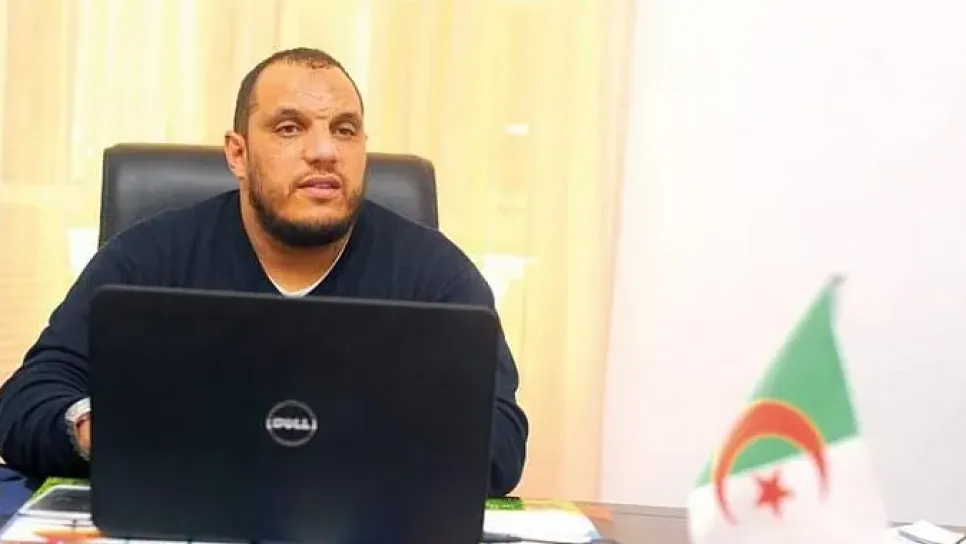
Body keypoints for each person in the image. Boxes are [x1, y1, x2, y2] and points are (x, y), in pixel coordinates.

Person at [0, 48, 529, 496]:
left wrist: (348, 447)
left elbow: (499, 443)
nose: (324, 151)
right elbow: (27, 399)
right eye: (289, 128)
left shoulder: (435, 275)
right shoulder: (146, 258)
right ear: (238, 153)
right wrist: (105, 430)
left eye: (345, 130)